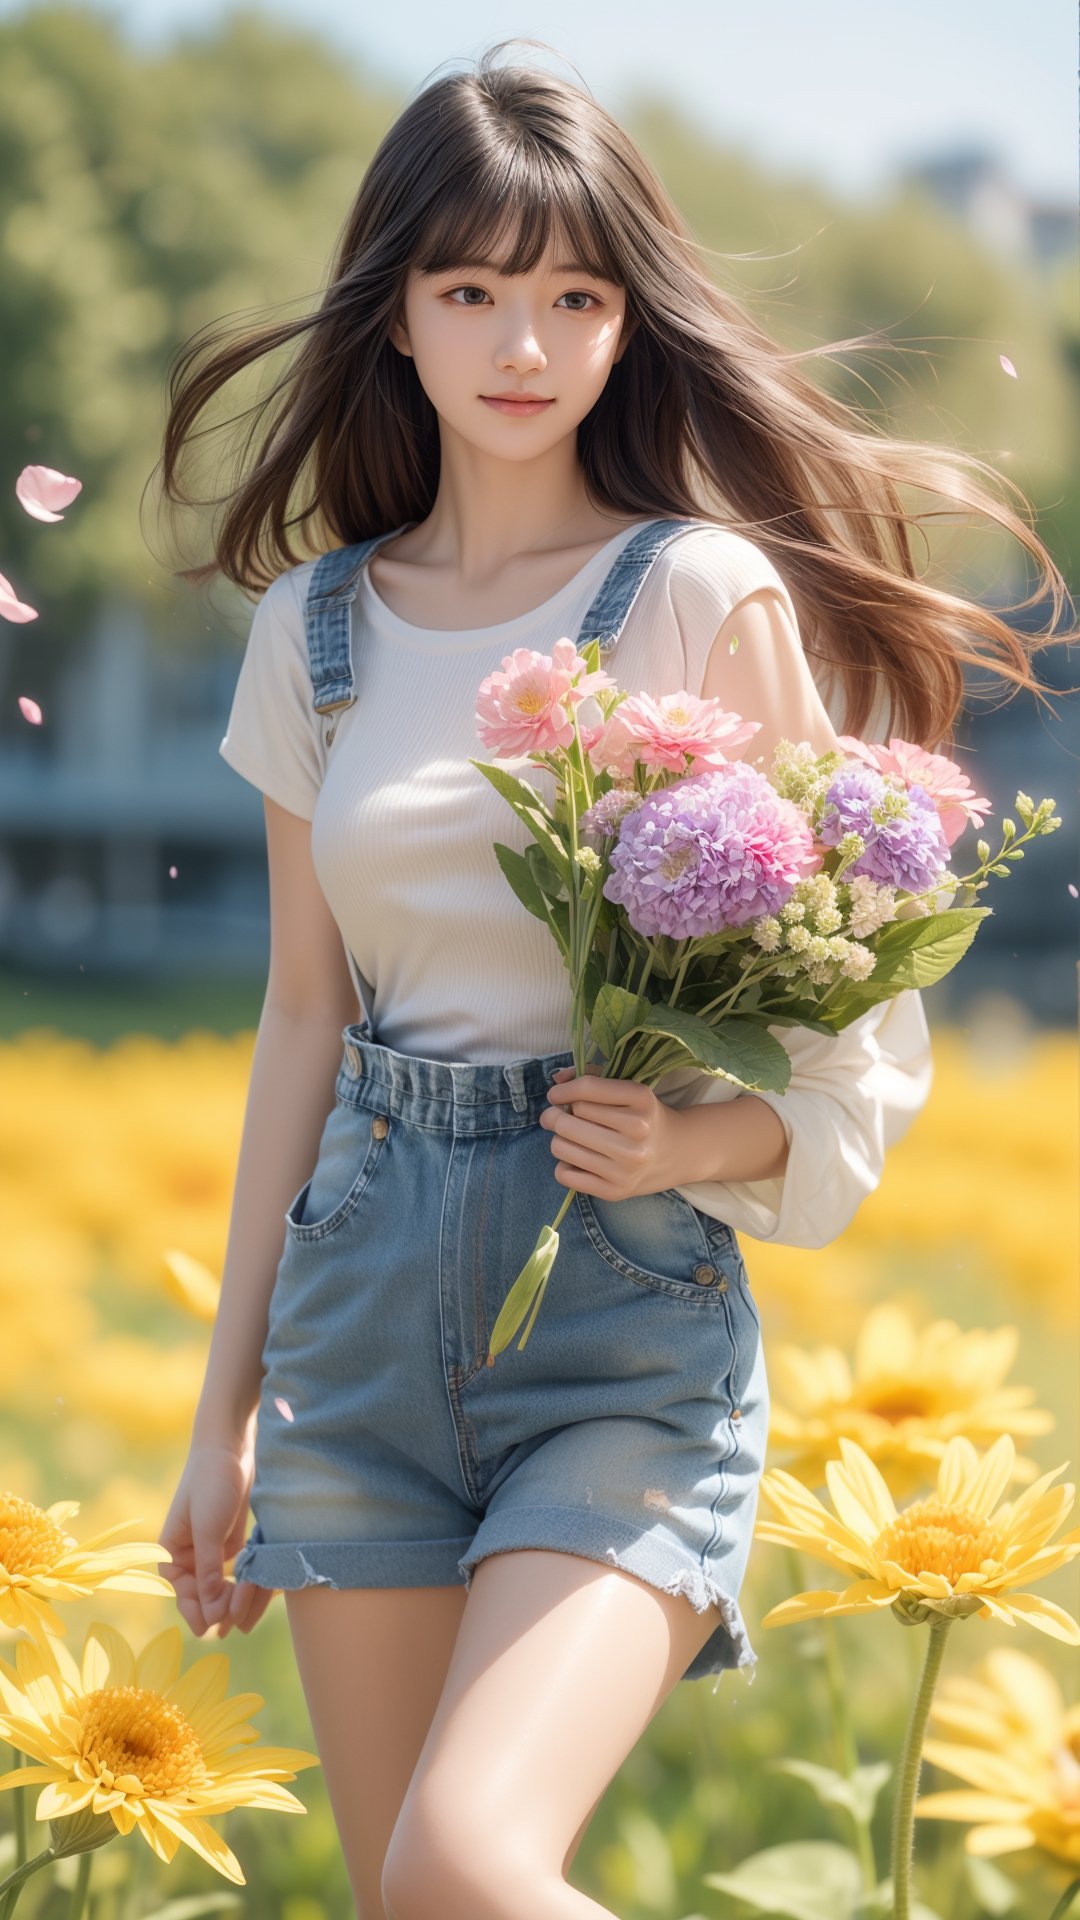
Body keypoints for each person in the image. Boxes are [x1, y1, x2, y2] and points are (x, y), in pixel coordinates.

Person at [154, 39, 1068, 1920]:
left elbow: (849, 1020)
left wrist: (690, 1141)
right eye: (470, 288)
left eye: (574, 295)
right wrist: (217, 1411)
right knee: (406, 1903)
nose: (522, 341)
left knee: (469, 1869)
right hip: (361, 1327)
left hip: (617, 1329)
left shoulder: (690, 592)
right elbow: (303, 1024)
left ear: (628, 323)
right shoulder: (309, 633)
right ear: (395, 313)